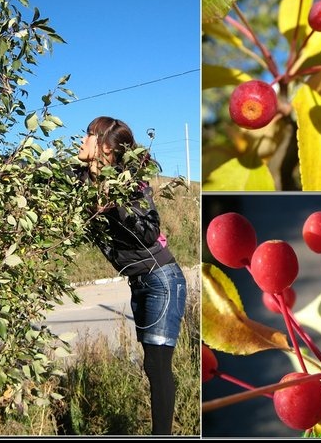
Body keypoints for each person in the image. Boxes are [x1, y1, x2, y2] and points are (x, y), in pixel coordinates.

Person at [76, 116, 187, 435]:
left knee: (157, 365)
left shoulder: (130, 182)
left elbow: (150, 231)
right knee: (151, 364)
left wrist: (114, 202)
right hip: (139, 282)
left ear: (107, 148)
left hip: (161, 279)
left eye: (89, 136)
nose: (82, 141)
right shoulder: (84, 180)